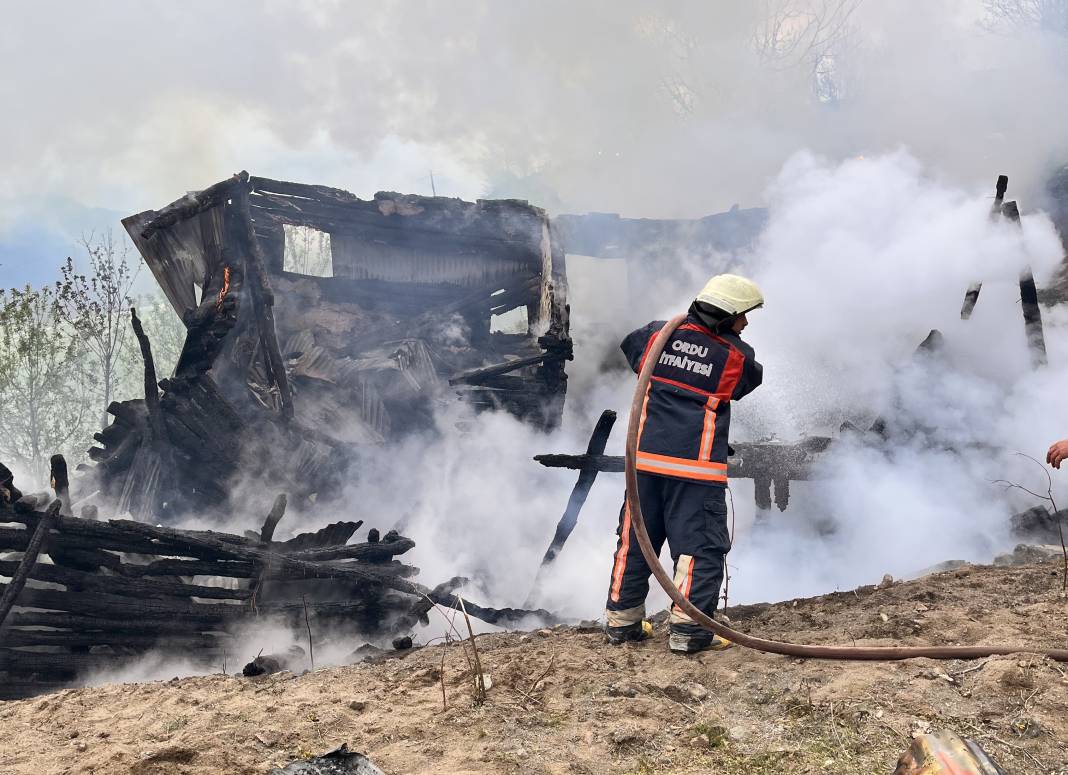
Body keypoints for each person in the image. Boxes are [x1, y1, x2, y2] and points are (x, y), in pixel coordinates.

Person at [604, 274, 764, 654]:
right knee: (699, 547)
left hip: (642, 464)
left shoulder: (655, 336)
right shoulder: (733, 357)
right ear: (725, 317)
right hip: (694, 470)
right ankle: (689, 632)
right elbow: (746, 382)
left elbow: (631, 349)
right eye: (742, 317)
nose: (745, 324)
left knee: (636, 541)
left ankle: (622, 624)